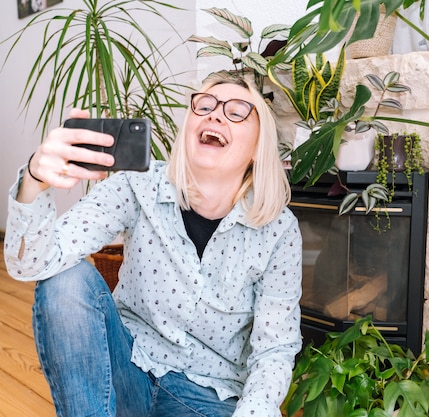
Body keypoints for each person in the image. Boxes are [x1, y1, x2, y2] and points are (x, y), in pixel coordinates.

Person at [4, 72, 303, 417]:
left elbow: (274, 349)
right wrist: (35, 180)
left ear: (256, 149)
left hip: (206, 396)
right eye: (204, 105)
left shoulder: (279, 231)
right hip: (128, 368)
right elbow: (33, 264)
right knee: (64, 281)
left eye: (237, 112)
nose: (215, 114)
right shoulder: (136, 186)